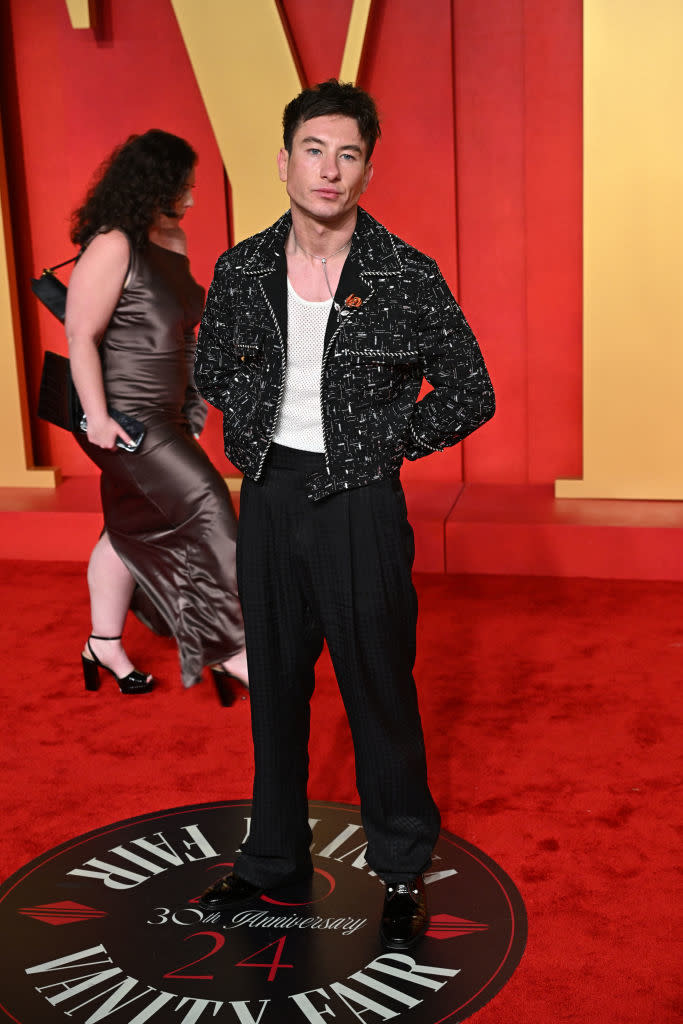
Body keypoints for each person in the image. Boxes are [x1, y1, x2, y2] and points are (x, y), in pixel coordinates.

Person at [194, 80, 495, 947]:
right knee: (276, 694)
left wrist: (384, 443)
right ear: (285, 162)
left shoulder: (405, 273)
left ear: (366, 169)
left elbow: (471, 392)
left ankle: (400, 869)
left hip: (361, 502)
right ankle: (270, 864)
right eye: (315, 150)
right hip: (271, 497)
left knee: (377, 689)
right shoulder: (242, 268)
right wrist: (257, 432)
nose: (330, 169)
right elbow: (212, 367)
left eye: (349, 153)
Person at [65, 129, 247, 702]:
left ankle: (104, 644)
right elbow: (80, 334)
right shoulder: (113, 244)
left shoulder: (172, 237)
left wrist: (193, 405)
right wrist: (96, 416)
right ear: (153, 186)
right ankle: (232, 648)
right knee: (207, 503)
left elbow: (183, 333)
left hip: (166, 411)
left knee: (123, 531)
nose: (191, 199)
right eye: (183, 189)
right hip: (119, 416)